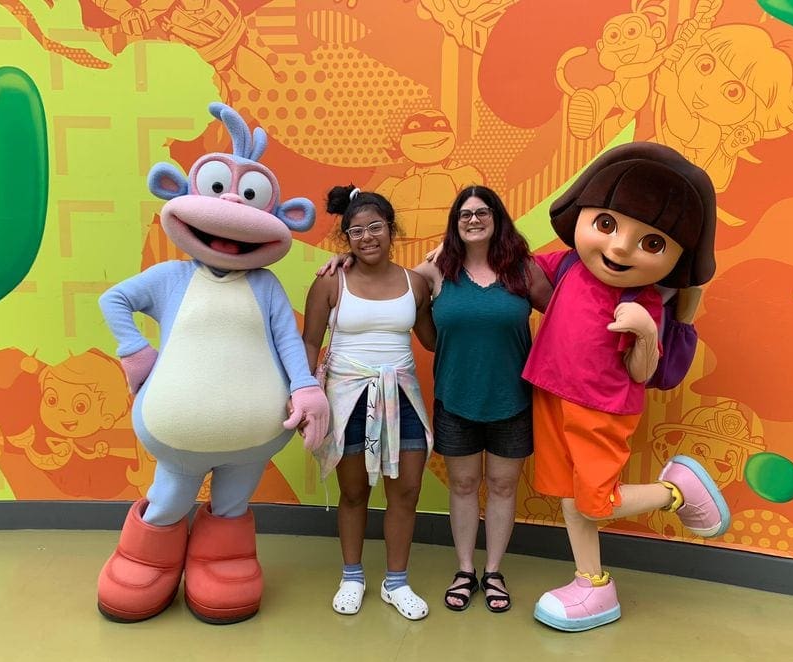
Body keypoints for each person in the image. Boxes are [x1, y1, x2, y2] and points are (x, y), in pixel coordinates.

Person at [525, 141, 731, 632]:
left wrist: (645, 330)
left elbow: (643, 374)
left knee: (598, 500)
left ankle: (674, 492)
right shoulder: (570, 264)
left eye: (652, 243)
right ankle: (591, 584)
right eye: (607, 225)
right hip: (549, 393)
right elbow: (525, 270)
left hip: (601, 407)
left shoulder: (645, 301)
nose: (619, 248)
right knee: (571, 498)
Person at [318, 185, 552, 614]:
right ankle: (457, 571)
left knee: (493, 486)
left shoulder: (521, 271)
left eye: (483, 212)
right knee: (453, 486)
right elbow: (384, 283)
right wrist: (345, 260)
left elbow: (560, 318)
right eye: (465, 215)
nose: (474, 220)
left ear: (498, 217)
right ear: (454, 224)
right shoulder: (436, 271)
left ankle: (484, 573)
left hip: (508, 397)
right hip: (445, 397)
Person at [303, 186, 436, 620]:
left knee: (406, 491)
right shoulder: (329, 281)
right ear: (346, 238)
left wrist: (443, 281)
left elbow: (433, 339)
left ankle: (396, 582)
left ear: (391, 229)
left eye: (375, 227)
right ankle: (353, 576)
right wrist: (304, 398)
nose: (367, 237)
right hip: (347, 398)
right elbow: (309, 342)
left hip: (402, 398)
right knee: (354, 492)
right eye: (356, 231)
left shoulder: (414, 283)